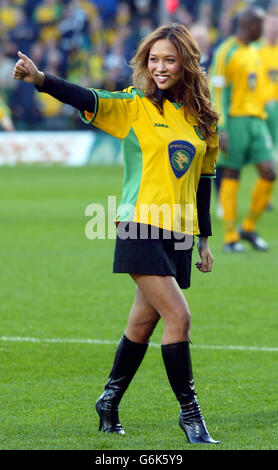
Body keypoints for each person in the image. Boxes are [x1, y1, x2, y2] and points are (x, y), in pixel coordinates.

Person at [12, 23, 220, 445]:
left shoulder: (203, 120)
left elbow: (203, 181)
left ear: (186, 64)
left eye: (169, 60)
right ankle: (191, 416)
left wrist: (203, 239)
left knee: (143, 324)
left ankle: (108, 401)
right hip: (140, 225)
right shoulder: (134, 106)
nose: (160, 67)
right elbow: (87, 97)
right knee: (179, 317)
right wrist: (41, 80)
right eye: (154, 59)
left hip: (178, 234)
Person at [210, 7, 277, 252]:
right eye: (261, 25)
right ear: (251, 26)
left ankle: (248, 227)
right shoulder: (226, 51)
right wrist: (222, 126)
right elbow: (217, 90)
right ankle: (230, 237)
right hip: (234, 121)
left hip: (257, 121)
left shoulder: (255, 51)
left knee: (269, 172)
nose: (265, 30)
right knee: (232, 175)